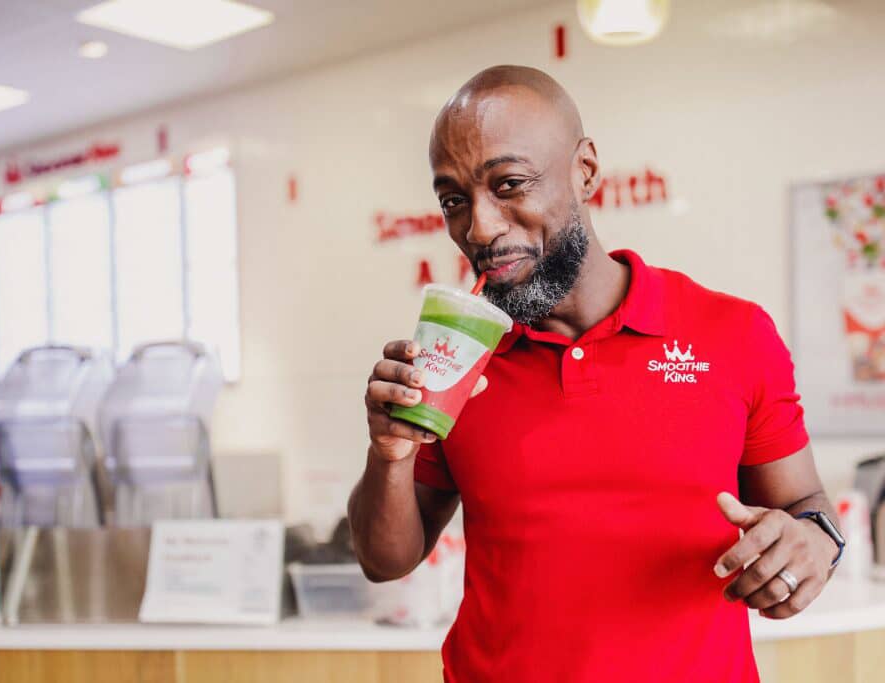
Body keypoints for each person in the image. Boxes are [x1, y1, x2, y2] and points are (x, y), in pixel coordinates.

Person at [347, 65, 845, 682]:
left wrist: (814, 544)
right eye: (453, 200)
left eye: (508, 185)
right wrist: (389, 452)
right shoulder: (459, 361)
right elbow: (384, 560)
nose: (479, 227)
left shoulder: (733, 333)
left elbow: (805, 506)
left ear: (584, 171)